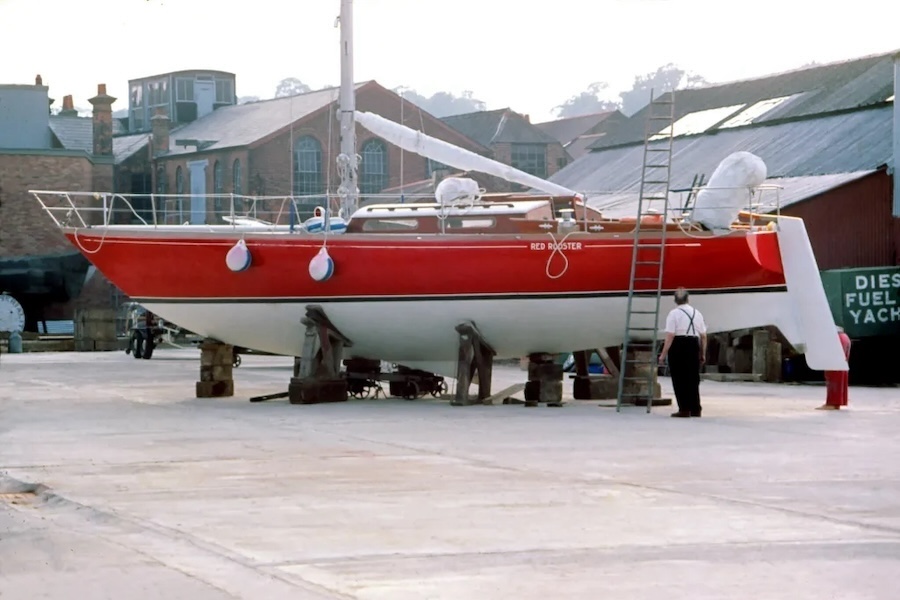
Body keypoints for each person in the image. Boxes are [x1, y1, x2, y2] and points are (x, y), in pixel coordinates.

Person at [658, 288, 708, 418]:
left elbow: (670, 335)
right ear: (688, 298)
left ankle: (684, 408)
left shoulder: (673, 314)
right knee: (693, 378)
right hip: (693, 344)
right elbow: (703, 336)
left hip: (678, 344)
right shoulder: (697, 313)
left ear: (675, 300)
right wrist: (702, 353)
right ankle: (696, 408)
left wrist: (663, 354)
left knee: (679, 378)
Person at [818, 327, 852, 410]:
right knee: (840, 371)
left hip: (835, 338)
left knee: (833, 371)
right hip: (843, 337)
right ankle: (837, 403)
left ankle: (832, 403)